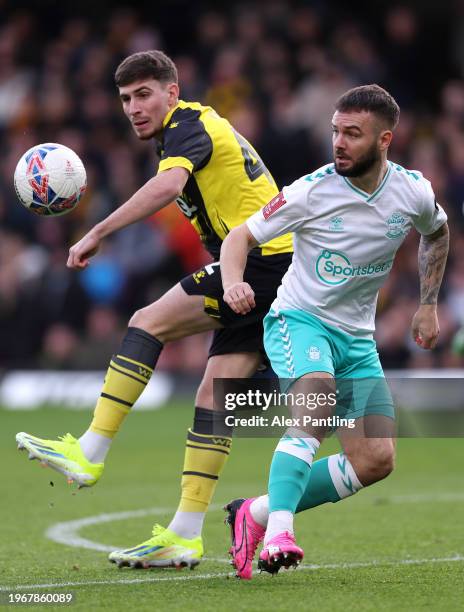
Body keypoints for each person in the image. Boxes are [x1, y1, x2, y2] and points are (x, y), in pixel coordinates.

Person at [15, 50, 293, 569]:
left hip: (264, 264)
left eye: (144, 94)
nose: (134, 108)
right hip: (270, 269)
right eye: (125, 99)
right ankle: (185, 535)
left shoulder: (190, 124)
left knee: (148, 320)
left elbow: (168, 187)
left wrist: (97, 230)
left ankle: (90, 451)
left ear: (171, 91)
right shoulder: (184, 132)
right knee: (214, 398)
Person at [219, 84, 449, 579]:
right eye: (335, 131)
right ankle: (279, 532)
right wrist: (234, 282)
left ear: (385, 139)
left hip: (357, 339)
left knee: (375, 460)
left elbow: (437, 230)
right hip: (299, 321)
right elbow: (240, 236)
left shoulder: (412, 191)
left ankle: (254, 514)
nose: (338, 143)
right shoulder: (311, 191)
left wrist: (428, 305)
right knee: (317, 399)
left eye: (352, 133)